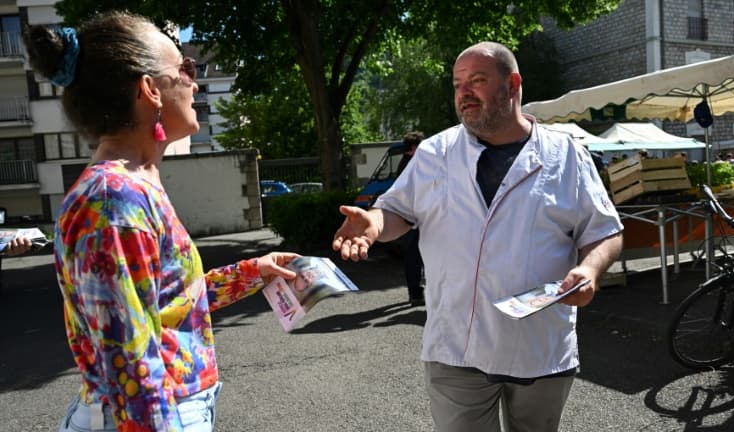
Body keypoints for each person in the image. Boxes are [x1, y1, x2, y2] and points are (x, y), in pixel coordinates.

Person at [23, 12, 299, 431]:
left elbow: (165, 302)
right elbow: (130, 366)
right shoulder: (113, 201)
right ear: (149, 89)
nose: (194, 80)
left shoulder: (132, 186)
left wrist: (252, 272)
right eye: (185, 69)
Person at [332, 41, 623, 431]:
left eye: (478, 81)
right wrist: (375, 224)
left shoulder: (565, 155)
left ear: (513, 84)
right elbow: (397, 211)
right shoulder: (436, 153)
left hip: (538, 348)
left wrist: (590, 270)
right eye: (457, 84)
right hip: (456, 348)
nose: (463, 93)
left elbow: (605, 231)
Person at [396, 131, 426, 307]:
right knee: (414, 255)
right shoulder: (412, 164)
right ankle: (415, 294)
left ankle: (415, 292)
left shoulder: (405, 162)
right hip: (413, 216)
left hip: (409, 215)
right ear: (414, 148)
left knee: (413, 254)